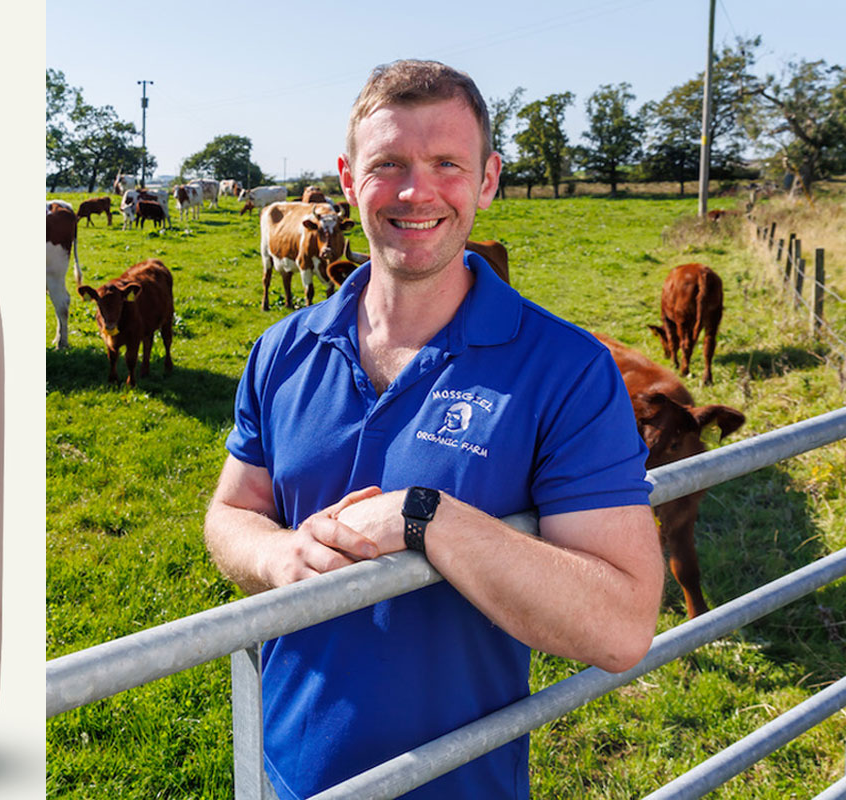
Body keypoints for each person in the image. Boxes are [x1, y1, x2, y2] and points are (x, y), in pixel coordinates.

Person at [203, 60, 663, 800]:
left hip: (461, 781)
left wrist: (426, 518)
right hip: (287, 773)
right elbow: (231, 511)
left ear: (487, 180)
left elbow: (621, 625)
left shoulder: (566, 369)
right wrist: (281, 556)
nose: (417, 192)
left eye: (447, 163)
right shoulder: (281, 349)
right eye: (390, 165)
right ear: (349, 182)